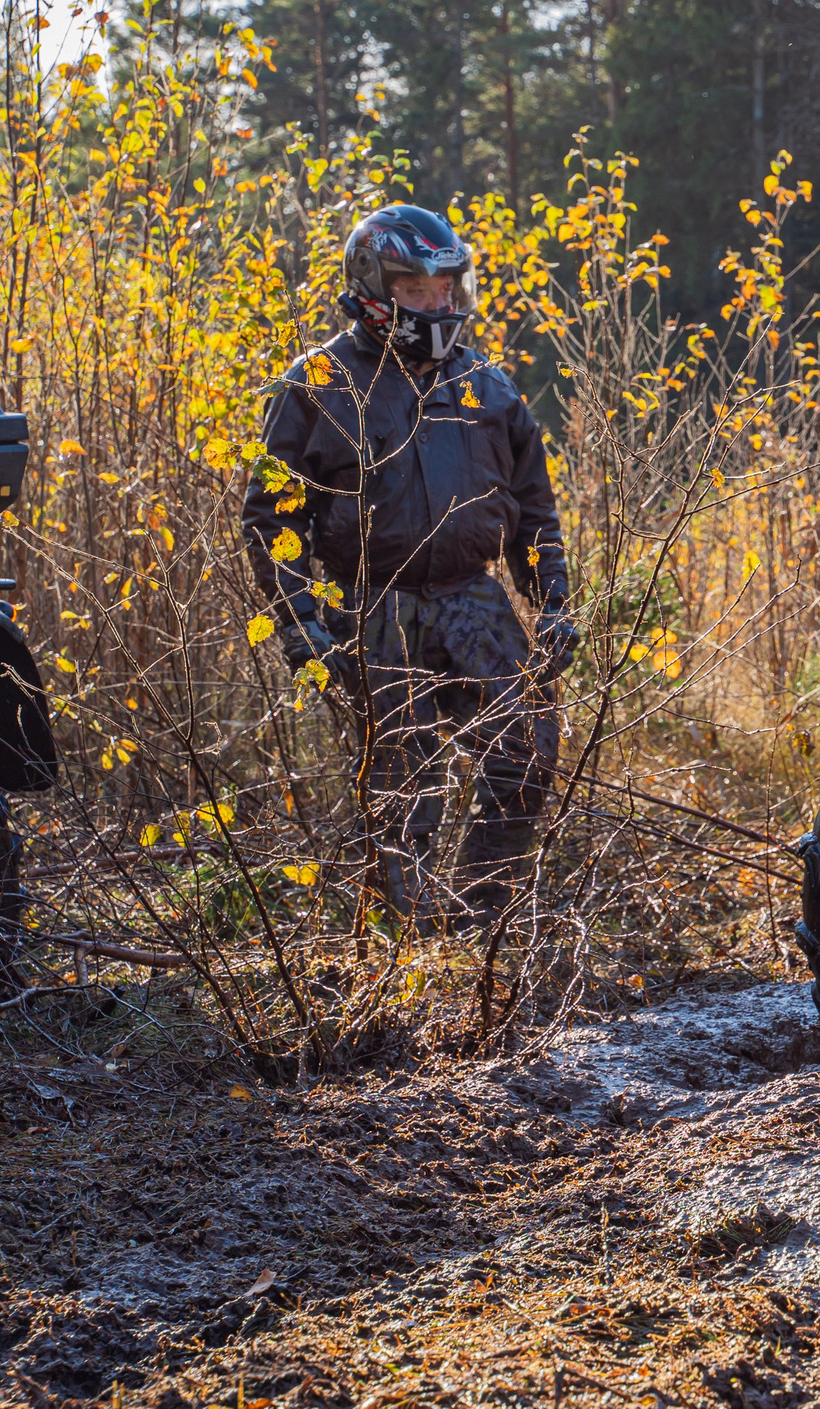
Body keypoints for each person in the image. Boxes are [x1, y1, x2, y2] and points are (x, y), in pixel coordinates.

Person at [242, 204, 578, 928]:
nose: (436, 302)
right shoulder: (319, 383)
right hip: (375, 607)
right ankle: (409, 949)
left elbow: (535, 507)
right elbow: (272, 515)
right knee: (404, 785)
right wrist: (302, 623)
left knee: (527, 748)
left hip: (472, 600)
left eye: (444, 286)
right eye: (415, 288)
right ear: (373, 286)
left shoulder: (488, 385)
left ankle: (483, 920)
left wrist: (552, 601)